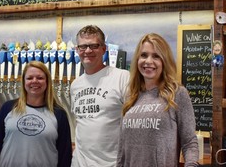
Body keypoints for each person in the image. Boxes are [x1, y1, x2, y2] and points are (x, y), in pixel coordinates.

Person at [116, 33, 199, 167]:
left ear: (164, 61)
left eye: (156, 56)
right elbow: (122, 149)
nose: (148, 61)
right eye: (143, 55)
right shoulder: (130, 97)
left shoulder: (177, 94)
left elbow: (189, 142)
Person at [0, 61, 72, 167]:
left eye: (40, 78)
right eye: (29, 78)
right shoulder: (8, 108)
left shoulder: (59, 114)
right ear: (23, 82)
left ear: (47, 82)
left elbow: (65, 155)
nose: (34, 81)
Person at [70, 25, 130, 167]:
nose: (88, 51)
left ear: (104, 49)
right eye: (83, 46)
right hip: (79, 163)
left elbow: (134, 124)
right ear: (77, 50)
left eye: (94, 46)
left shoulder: (122, 77)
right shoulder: (75, 85)